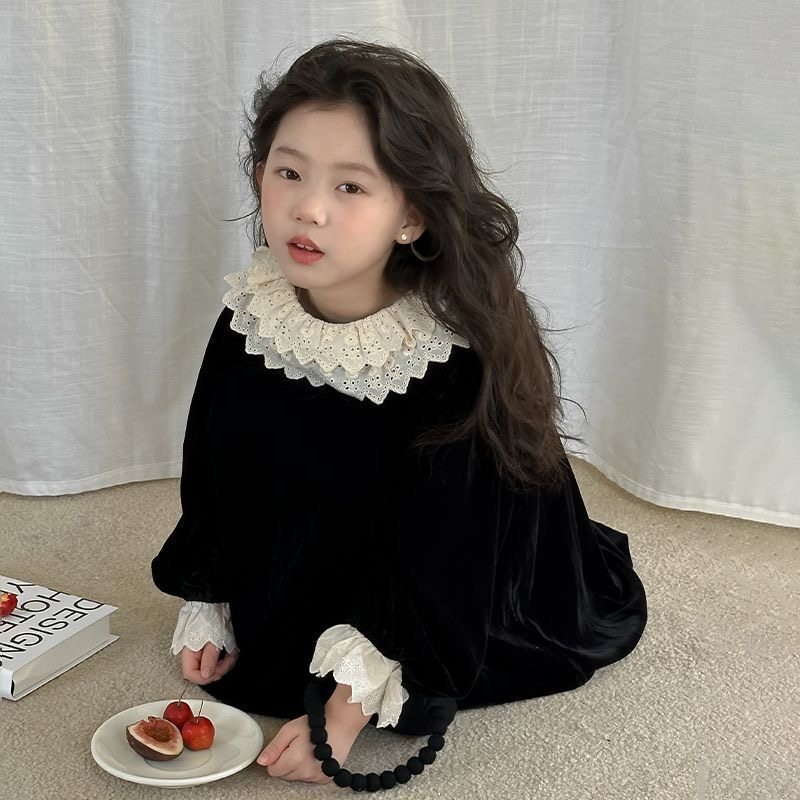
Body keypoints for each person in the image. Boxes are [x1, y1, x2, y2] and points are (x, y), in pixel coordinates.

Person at [151, 37, 647, 789]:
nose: (308, 208)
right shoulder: (256, 309)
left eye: (351, 186)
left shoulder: (448, 362)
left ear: (410, 215)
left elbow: (444, 551)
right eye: (288, 172)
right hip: (323, 553)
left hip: (458, 574)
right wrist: (212, 596)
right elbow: (216, 463)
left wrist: (344, 711)